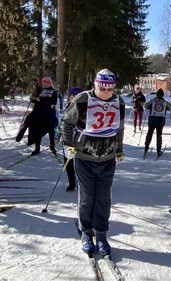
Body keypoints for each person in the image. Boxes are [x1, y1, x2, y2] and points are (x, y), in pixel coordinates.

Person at [61, 69, 125, 256]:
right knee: (87, 198)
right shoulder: (82, 99)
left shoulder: (118, 101)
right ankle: (87, 233)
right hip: (85, 158)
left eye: (109, 88)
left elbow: (119, 128)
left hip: (107, 158)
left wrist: (119, 148)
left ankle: (102, 234)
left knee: (104, 199)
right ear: (95, 85)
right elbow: (67, 122)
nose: (106, 92)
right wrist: (68, 145)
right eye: (102, 88)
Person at [16, 76, 59, 156]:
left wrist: (42, 100)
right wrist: (33, 98)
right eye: (43, 83)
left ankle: (52, 147)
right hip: (39, 113)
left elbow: (53, 102)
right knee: (35, 128)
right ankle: (37, 147)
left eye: (45, 83)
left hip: (48, 113)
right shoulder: (41, 91)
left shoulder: (54, 92)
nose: (44, 85)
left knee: (50, 130)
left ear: (49, 83)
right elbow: (34, 99)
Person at [61, 87, 82, 192]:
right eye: (72, 96)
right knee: (68, 161)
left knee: (79, 162)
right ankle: (72, 183)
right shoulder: (67, 107)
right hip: (68, 141)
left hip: (79, 141)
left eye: (76, 96)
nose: (73, 98)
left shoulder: (82, 108)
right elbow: (62, 123)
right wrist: (57, 137)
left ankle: (81, 181)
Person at [143, 88, 171, 157]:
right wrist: (166, 108)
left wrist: (150, 107)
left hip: (152, 119)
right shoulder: (165, 102)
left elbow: (145, 106)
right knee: (159, 135)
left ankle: (146, 147)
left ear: (157, 94)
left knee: (149, 133)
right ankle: (158, 149)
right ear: (162, 95)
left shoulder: (153, 100)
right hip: (160, 120)